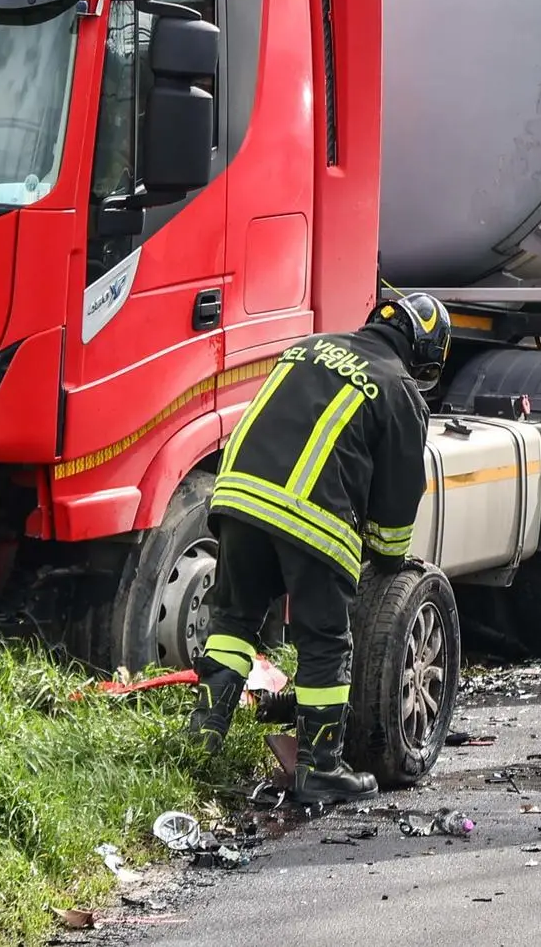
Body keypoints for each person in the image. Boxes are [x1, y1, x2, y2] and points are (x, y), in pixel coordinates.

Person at [187, 293, 450, 805]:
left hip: (238, 498)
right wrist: (388, 561)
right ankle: (320, 768)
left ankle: (202, 740)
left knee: (232, 624)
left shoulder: (308, 347)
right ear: (424, 356)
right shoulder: (399, 390)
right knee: (325, 643)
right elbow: (398, 502)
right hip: (312, 519)